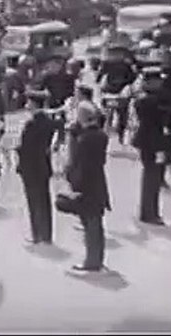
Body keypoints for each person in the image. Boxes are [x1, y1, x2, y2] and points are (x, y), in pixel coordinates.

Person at [66, 101, 110, 272]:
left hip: (86, 184)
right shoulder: (101, 135)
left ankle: (91, 261)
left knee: (89, 223)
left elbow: (79, 165)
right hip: (98, 181)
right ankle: (98, 258)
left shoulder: (84, 139)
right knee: (97, 223)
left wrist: (73, 182)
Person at [17, 91, 56, 244]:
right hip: (43, 164)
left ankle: (37, 234)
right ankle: (47, 234)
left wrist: (17, 150)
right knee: (44, 200)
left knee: (33, 201)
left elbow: (26, 148)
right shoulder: (48, 121)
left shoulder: (31, 124)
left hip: (31, 166)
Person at [133, 66, 171, 224]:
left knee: (150, 176)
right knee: (152, 177)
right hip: (154, 142)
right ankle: (150, 213)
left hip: (146, 141)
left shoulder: (143, 98)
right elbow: (166, 115)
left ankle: (147, 211)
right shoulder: (152, 101)